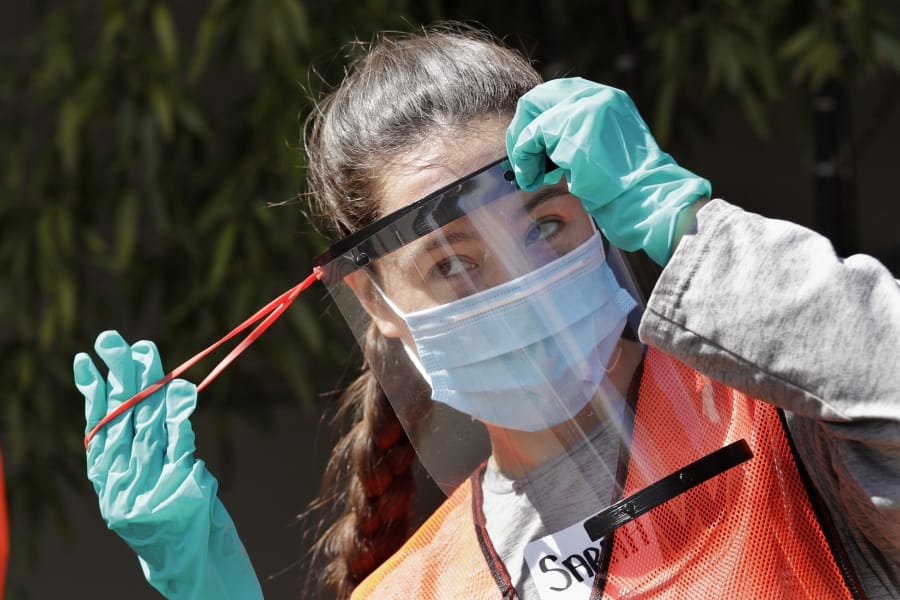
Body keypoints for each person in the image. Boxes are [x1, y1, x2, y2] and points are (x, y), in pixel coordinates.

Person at [74, 26, 900, 599]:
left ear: (602, 208)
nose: (519, 281)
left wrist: (694, 229)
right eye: (452, 262)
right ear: (375, 302)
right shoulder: (419, 587)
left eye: (545, 223)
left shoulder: (788, 424)